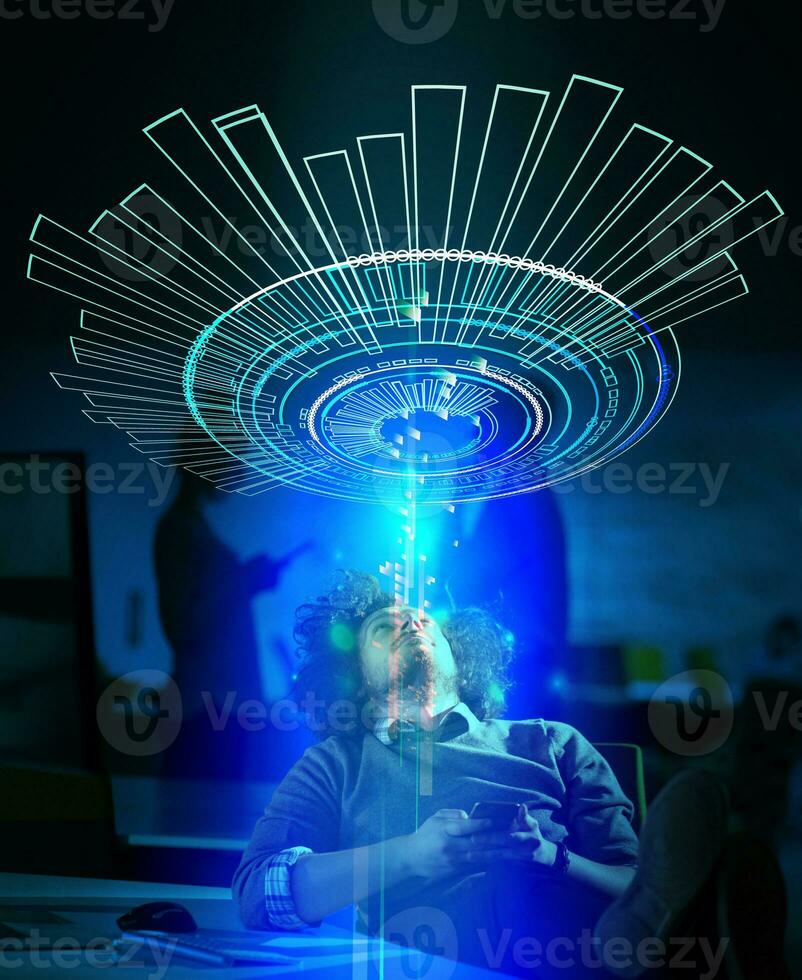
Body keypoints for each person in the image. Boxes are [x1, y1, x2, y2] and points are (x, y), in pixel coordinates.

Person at [233, 571, 788, 978]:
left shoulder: (552, 741)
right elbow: (259, 891)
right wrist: (412, 854)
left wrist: (552, 856)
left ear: (459, 654)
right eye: (385, 627)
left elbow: (637, 882)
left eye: (424, 620)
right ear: (352, 675)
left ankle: (640, 943)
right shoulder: (335, 763)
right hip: (437, 952)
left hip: (568, 914)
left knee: (705, 875)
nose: (411, 623)